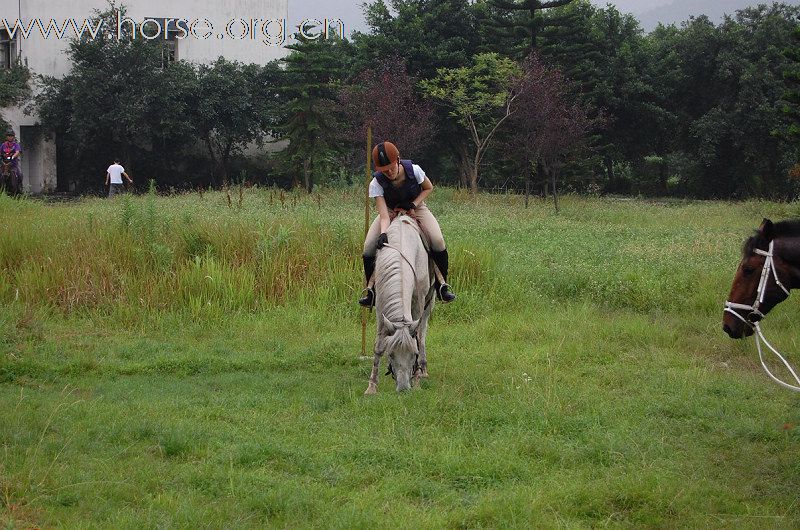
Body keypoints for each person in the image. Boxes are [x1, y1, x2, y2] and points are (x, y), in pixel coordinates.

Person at [359, 140, 456, 307]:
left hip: (416, 208)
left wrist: (414, 204)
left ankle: (442, 286)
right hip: (390, 211)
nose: (389, 172)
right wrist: (384, 233)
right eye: (384, 170)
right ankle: (372, 291)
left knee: (438, 240)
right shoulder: (376, 183)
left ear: (398, 160)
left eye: (391, 167)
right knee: (368, 246)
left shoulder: (415, 170)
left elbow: (428, 187)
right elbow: (383, 215)